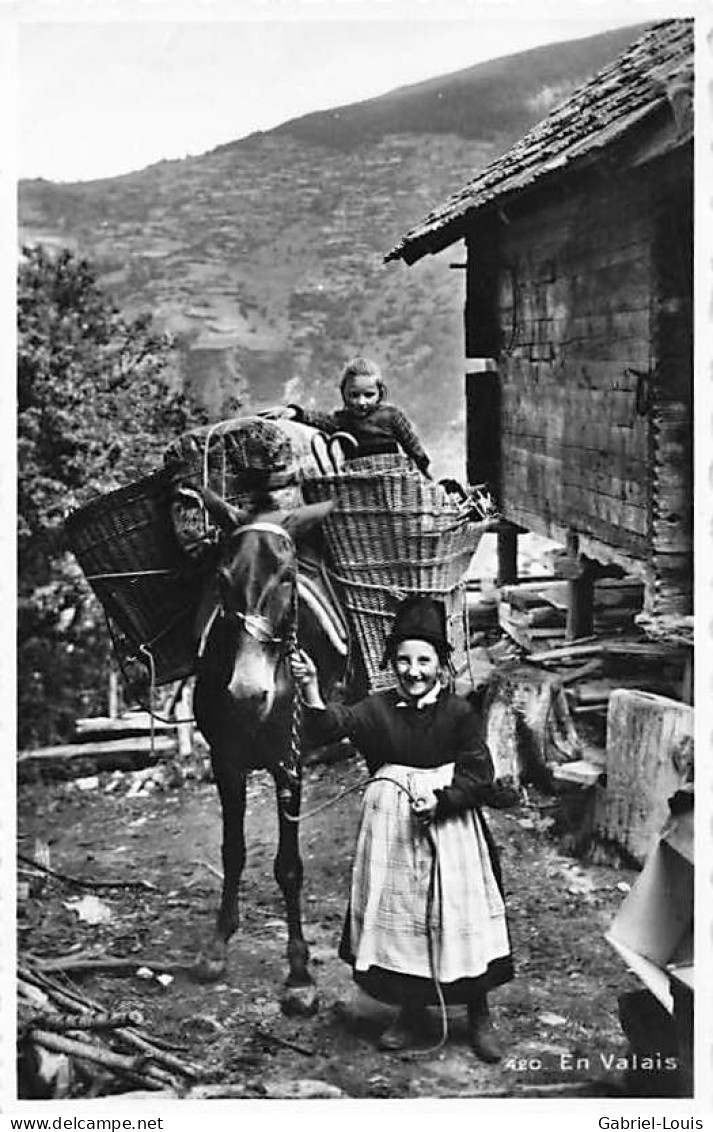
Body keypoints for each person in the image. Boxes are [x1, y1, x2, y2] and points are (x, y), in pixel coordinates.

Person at [290, 595, 514, 1059]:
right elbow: (334, 725)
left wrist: (444, 800)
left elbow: (478, 776)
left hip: (451, 831)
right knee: (405, 923)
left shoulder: (459, 713)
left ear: (441, 665)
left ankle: (479, 1013)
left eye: (423, 661)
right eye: (404, 660)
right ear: (392, 663)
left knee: (460, 916)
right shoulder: (378, 708)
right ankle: (413, 1013)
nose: (413, 671)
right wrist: (312, 689)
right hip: (391, 834)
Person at [278, 356, 431, 475]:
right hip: (358, 484)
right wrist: (296, 412)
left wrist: (422, 465)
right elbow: (319, 419)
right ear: (344, 394)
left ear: (380, 393)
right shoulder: (342, 420)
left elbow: (411, 443)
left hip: (391, 480)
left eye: (369, 395)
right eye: (354, 395)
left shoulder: (391, 416)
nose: (361, 402)